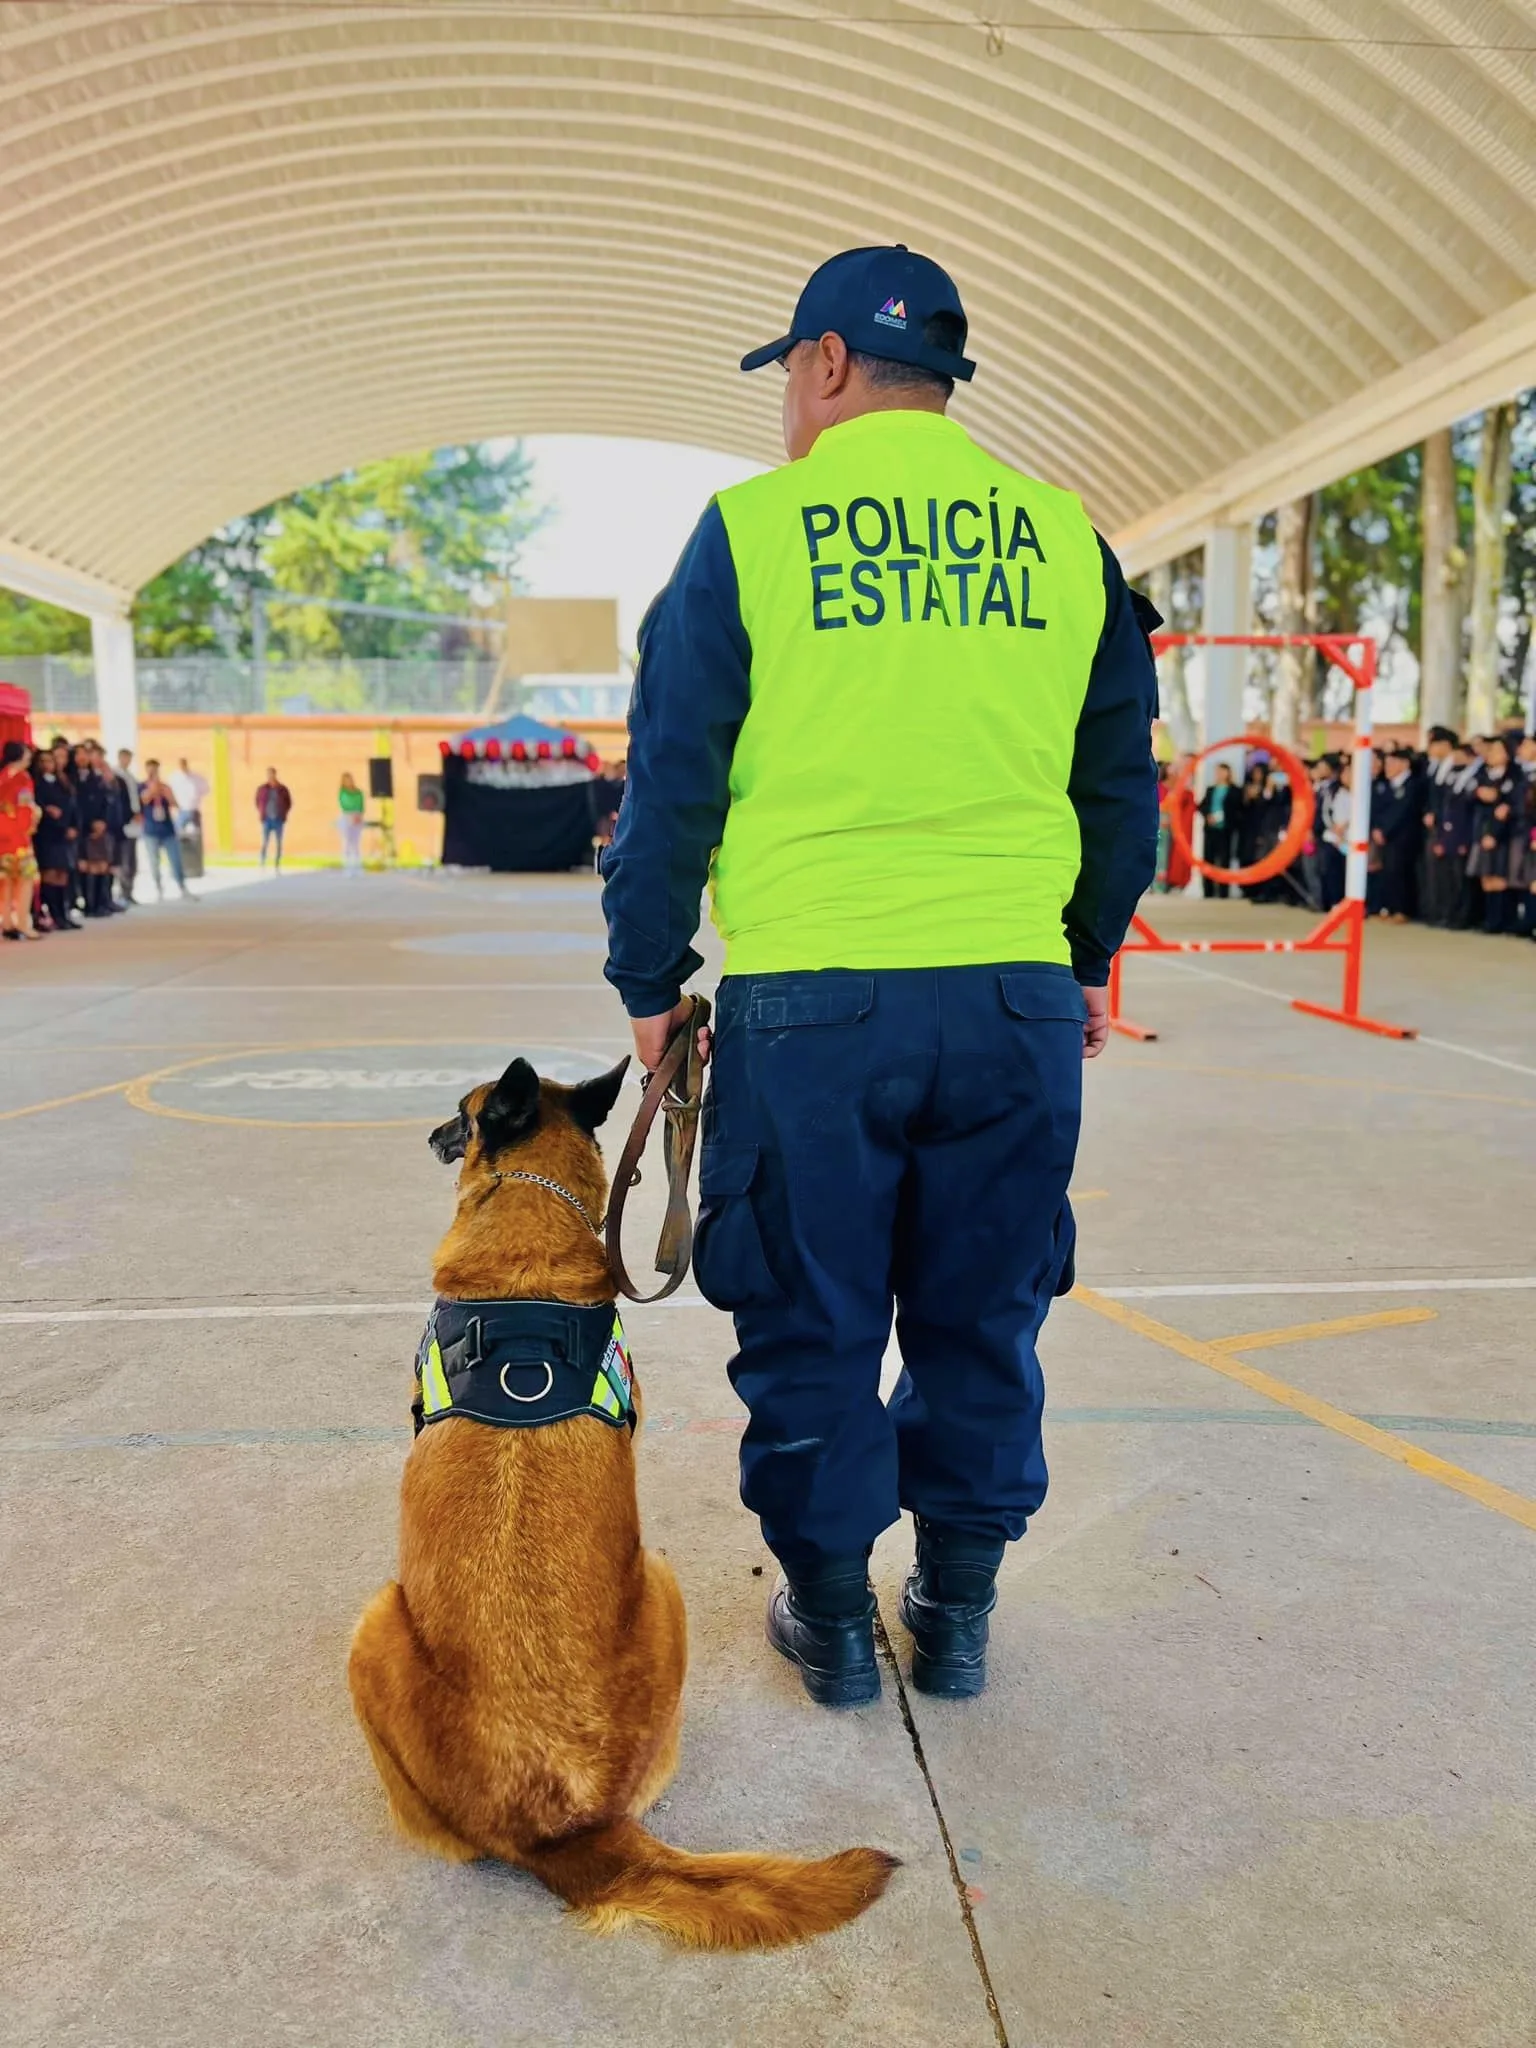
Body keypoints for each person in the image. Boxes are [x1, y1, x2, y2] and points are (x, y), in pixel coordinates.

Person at [601, 244, 1159, 1707]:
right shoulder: (1063, 539)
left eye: (791, 369)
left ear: (830, 365)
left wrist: (650, 977)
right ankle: (959, 1615)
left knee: (812, 1309)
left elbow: (671, 787)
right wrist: (1083, 965)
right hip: (1011, 999)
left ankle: (835, 1620)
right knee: (986, 1312)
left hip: (815, 999)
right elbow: (1120, 792)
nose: (789, 398)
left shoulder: (753, 533)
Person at [1467, 735, 1520, 934]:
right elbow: (1469, 797)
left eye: (1497, 751)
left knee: (1499, 876)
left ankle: (1501, 920)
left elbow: (1511, 808)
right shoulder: (1483, 775)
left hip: (1503, 833)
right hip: (1482, 829)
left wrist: (1496, 833)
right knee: (1485, 876)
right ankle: (1488, 918)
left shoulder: (1514, 777)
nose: (1491, 755)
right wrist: (1477, 794)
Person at [32, 740, 79, 931]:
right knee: (50, 874)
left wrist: (73, 826)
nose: (48, 764)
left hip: (65, 832)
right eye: (43, 761)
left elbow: (73, 806)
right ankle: (53, 914)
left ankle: (63, 912)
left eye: (51, 760)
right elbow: (39, 808)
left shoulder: (63, 782)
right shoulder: (37, 784)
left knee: (63, 874)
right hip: (48, 834)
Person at [0, 740, 42, 940]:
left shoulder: (2, 777)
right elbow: (25, 808)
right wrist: (32, 822)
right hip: (18, 836)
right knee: (25, 880)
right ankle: (23, 923)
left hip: (1, 836)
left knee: (5, 882)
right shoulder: (23, 778)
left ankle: (7, 922)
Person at [139, 759, 194, 900]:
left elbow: (175, 803)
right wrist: (153, 789)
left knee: (175, 859)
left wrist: (165, 792)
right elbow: (143, 800)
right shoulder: (142, 786)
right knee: (154, 862)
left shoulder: (165, 787)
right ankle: (158, 887)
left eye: (155, 769)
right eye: (150, 769)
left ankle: (182, 886)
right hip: (151, 830)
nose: (153, 772)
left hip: (167, 829)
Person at [1197, 761, 1240, 896]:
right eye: (1217, 771)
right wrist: (1208, 816)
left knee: (1224, 860)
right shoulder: (1211, 789)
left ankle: (1223, 892)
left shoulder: (1234, 790)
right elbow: (1201, 805)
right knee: (1208, 860)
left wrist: (1224, 817)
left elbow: (1237, 809)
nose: (1219, 774)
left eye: (1222, 771)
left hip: (1225, 830)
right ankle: (1208, 891)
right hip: (1211, 829)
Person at [111, 745, 142, 905]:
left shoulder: (131, 776)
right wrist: (129, 815)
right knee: (124, 859)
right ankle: (122, 892)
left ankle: (129, 891)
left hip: (134, 823)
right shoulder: (116, 776)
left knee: (132, 860)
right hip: (124, 822)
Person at [256, 767, 291, 868]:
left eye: (272, 774)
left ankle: (277, 862)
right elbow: (257, 801)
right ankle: (262, 861)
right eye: (268, 774)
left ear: (275, 775)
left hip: (278, 819)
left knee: (278, 842)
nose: (270, 776)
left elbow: (288, 802)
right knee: (265, 841)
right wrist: (262, 812)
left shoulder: (282, 789)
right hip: (266, 819)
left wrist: (283, 813)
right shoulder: (262, 789)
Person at [336, 771, 365, 871]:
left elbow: (361, 804)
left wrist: (359, 815)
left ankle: (357, 866)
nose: (349, 781)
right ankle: (347, 866)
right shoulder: (342, 792)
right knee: (347, 842)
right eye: (346, 780)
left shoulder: (358, 792)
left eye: (350, 779)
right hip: (347, 817)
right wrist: (351, 815)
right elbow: (344, 804)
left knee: (356, 843)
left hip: (358, 817)